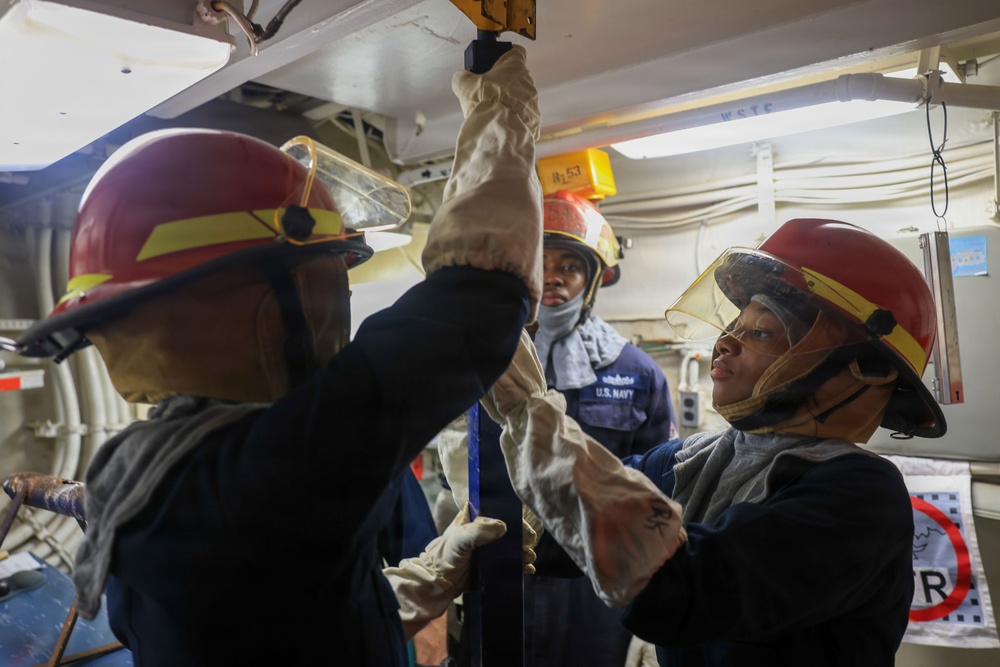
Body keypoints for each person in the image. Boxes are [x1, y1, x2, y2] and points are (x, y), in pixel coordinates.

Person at [15, 46, 543, 666]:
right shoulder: (262, 469)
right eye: (330, 278)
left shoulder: (139, 472)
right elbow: (478, 304)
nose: (340, 305)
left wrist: (427, 581)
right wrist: (502, 118)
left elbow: (284, 629)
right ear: (258, 301)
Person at [480, 218, 945, 666]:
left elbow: (682, 591)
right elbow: (572, 527)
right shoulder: (692, 459)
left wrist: (531, 416)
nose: (724, 343)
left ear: (869, 368)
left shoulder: (860, 494)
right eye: (733, 326)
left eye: (761, 331)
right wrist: (496, 534)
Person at [527, 190, 678, 666]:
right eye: (539, 263)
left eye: (569, 266)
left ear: (592, 280)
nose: (552, 277)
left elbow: (659, 483)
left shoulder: (636, 371)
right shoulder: (491, 362)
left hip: (599, 577)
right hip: (510, 563)